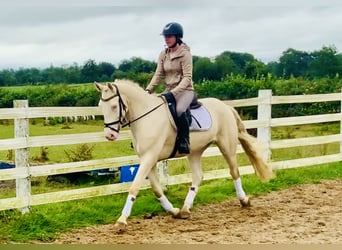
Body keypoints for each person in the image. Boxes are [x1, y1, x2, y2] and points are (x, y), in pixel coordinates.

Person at [145, 22, 194, 154]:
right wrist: (148, 90)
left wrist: (173, 92)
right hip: (168, 90)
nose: (166, 39)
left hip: (185, 90)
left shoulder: (185, 54)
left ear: (177, 37)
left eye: (169, 36)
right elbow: (158, 74)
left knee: (179, 110)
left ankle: (184, 141)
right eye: (165, 37)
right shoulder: (163, 54)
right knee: (154, 108)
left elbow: (187, 77)